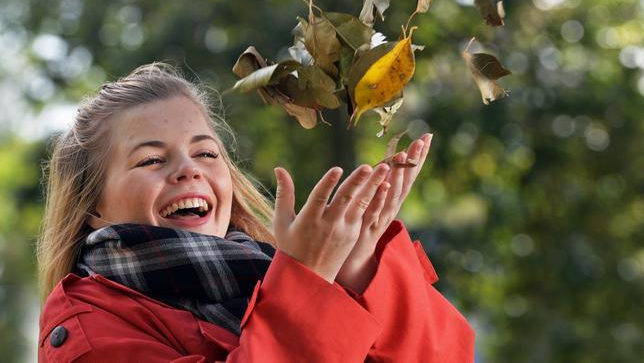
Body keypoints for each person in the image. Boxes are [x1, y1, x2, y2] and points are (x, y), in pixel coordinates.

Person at [36, 62, 475, 362]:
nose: (188, 170)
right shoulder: (90, 334)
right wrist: (306, 283)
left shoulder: (269, 274)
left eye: (206, 153)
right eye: (152, 160)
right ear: (92, 205)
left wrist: (361, 272)